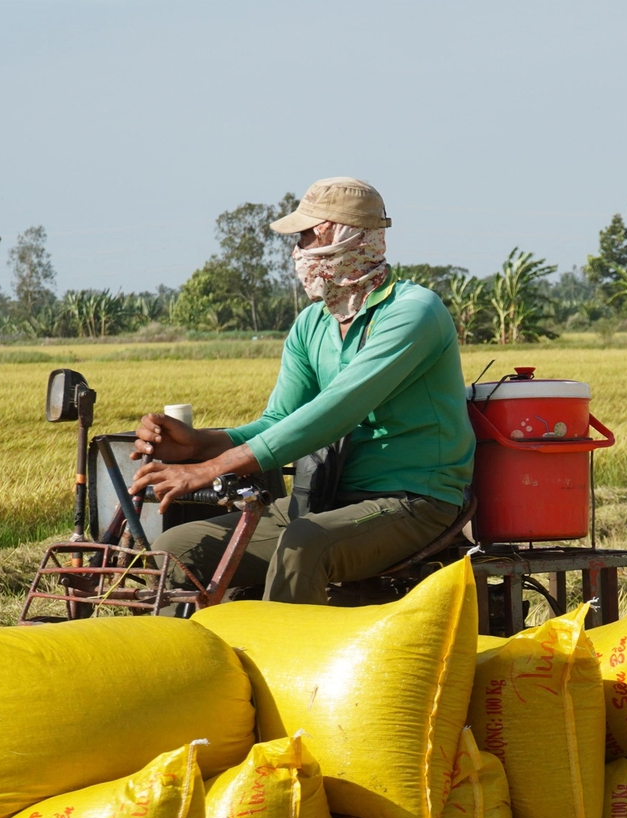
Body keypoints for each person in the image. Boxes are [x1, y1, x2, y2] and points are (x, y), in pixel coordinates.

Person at [128, 177, 473, 604]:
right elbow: (279, 421)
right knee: (173, 551)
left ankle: (276, 668)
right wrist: (200, 444)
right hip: (322, 500)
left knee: (303, 545)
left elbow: (336, 410)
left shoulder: (413, 312)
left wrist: (212, 467)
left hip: (412, 502)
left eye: (310, 234)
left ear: (349, 236)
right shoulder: (312, 325)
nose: (299, 249)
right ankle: (194, 664)